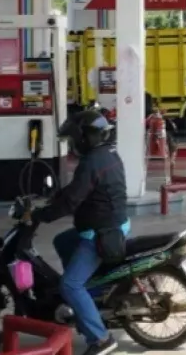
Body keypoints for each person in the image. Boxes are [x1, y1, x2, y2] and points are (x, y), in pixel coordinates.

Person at [29, 110, 129, 355]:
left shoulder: (92, 162)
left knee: (69, 285)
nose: (73, 145)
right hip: (110, 222)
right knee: (62, 241)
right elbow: (78, 189)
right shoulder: (107, 154)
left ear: (87, 137)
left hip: (102, 232)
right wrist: (55, 197)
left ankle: (101, 339)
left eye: (74, 139)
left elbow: (71, 201)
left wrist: (40, 215)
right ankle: (89, 298)